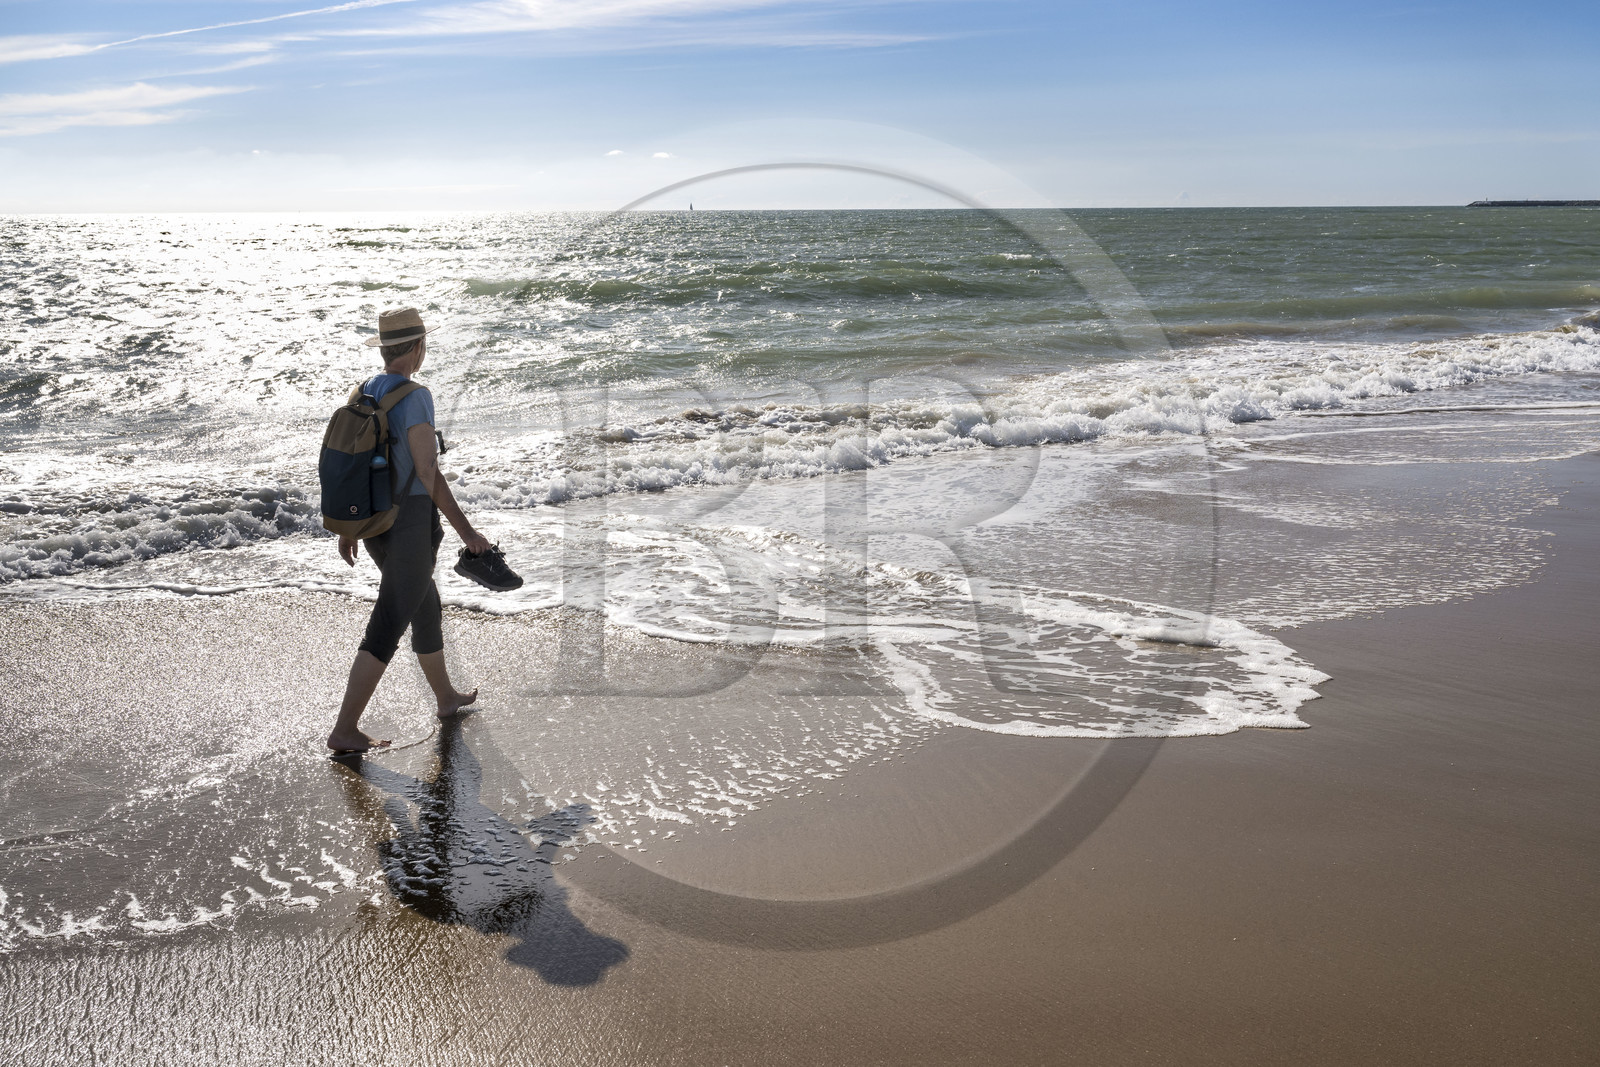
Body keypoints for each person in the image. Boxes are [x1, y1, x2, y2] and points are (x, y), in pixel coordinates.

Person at [327, 307, 491, 754]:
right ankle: (344, 729)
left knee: (425, 605)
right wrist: (468, 534)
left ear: (384, 349)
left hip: (375, 522)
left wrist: (350, 527)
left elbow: (352, 464)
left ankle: (445, 698)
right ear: (419, 348)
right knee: (388, 622)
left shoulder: (364, 390)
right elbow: (427, 473)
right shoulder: (416, 396)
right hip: (408, 525)